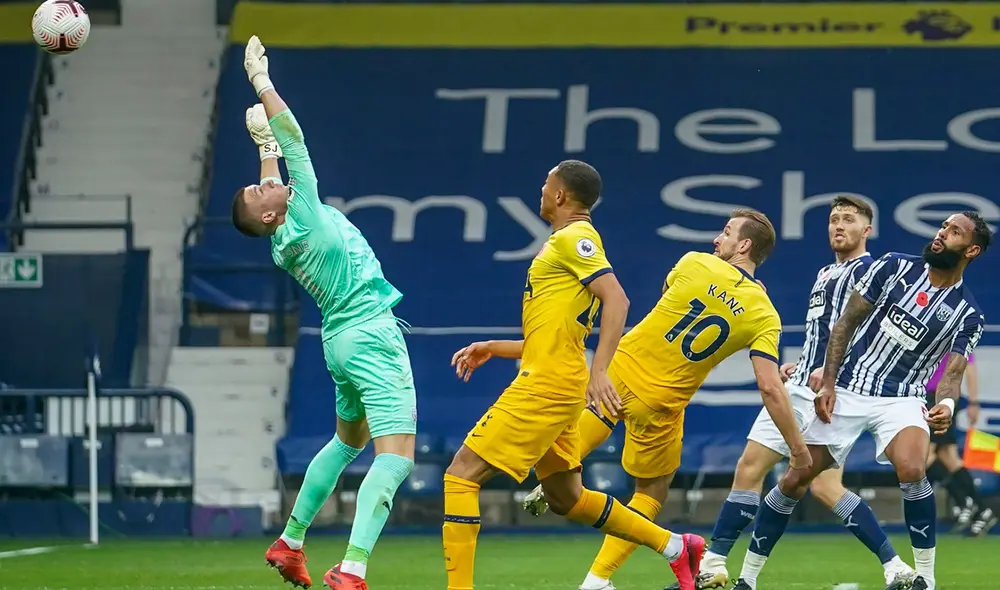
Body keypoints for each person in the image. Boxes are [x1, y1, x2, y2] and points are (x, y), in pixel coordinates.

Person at [443, 161, 710, 590]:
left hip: (545, 385)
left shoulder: (576, 238)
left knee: (461, 475)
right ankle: (678, 548)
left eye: (546, 185)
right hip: (557, 380)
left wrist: (600, 371)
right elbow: (556, 335)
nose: (542, 191)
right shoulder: (567, 243)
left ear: (562, 195)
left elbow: (617, 300)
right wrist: (495, 347)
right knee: (567, 498)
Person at [517, 209, 812, 590]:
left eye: (725, 233)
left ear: (744, 245)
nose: (716, 240)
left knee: (590, 425)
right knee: (650, 492)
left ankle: (558, 475)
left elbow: (667, 300)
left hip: (622, 367)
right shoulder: (765, 314)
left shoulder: (693, 263)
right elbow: (771, 387)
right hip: (661, 401)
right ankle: (596, 580)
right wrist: (798, 449)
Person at [233, 36, 416, 590]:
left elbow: (270, 178)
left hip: (338, 339)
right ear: (266, 214)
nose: (266, 183)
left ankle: (290, 542)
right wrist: (262, 85)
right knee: (396, 457)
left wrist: (263, 145)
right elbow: (296, 140)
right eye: (256, 191)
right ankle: (354, 568)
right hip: (371, 331)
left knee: (346, 443)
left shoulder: (280, 235)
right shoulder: (304, 210)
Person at [732, 212, 991, 590]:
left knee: (913, 468)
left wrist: (948, 406)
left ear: (971, 250)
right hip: (849, 388)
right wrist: (830, 383)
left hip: (901, 398)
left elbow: (951, 376)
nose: (941, 234)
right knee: (795, 480)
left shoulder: (969, 314)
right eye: (942, 227)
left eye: (953, 232)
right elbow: (846, 324)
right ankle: (748, 578)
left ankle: (926, 579)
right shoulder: (893, 267)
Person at [667, 197, 914, 590]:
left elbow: (874, 333)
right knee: (817, 485)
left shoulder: (871, 270)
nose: (839, 226)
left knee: (753, 468)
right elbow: (825, 331)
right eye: (834, 219)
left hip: (827, 392)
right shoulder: (825, 273)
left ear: (867, 230)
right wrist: (803, 363)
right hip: (810, 383)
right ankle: (895, 566)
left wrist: (832, 374)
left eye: (849, 220)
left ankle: (712, 564)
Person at [924, 354, 994, 535]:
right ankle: (981, 507)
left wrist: (973, 401)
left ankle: (964, 501)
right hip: (925, 397)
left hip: (940, 399)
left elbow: (969, 368)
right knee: (949, 457)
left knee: (925, 456)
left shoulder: (956, 334)